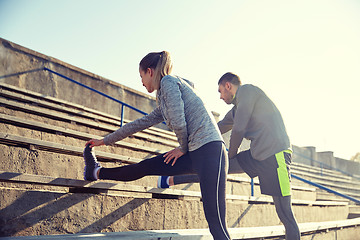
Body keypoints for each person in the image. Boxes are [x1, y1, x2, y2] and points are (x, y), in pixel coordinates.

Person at [83, 51, 232, 240]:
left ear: (150, 71)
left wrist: (182, 148)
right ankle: (95, 172)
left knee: (217, 225)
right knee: (145, 167)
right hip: (196, 152)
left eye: (141, 76)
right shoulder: (163, 99)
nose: (141, 82)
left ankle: (96, 172)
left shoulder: (169, 82)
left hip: (211, 153)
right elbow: (139, 123)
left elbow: (179, 121)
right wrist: (104, 140)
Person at [158, 72, 301, 240]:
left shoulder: (247, 91)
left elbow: (239, 129)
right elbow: (215, 128)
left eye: (220, 91)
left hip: (276, 154)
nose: (220, 96)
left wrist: (230, 156)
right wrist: (185, 146)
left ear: (228, 86)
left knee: (285, 213)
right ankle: (170, 180)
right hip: (257, 155)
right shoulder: (235, 111)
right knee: (213, 169)